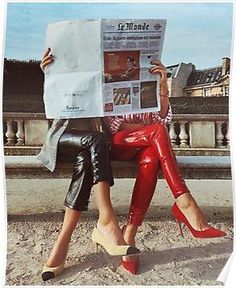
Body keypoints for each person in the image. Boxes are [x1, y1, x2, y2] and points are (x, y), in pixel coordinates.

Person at [105, 60, 227, 274]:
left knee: (152, 159)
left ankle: (130, 232)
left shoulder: (148, 87)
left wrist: (162, 87)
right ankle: (185, 202)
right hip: (119, 143)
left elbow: (161, 118)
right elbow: (115, 124)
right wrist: (149, 130)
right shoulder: (112, 83)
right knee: (157, 132)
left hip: (145, 144)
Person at [38, 48, 139, 281]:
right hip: (63, 136)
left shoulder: (106, 79)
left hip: (92, 146)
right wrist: (48, 75)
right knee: (95, 140)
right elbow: (51, 112)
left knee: (89, 152)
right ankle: (106, 218)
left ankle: (63, 240)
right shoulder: (65, 74)